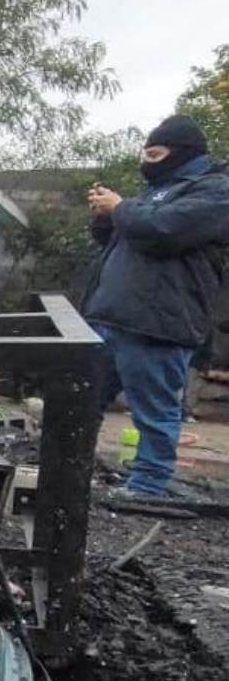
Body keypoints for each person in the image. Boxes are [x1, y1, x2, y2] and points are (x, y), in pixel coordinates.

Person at [82, 115, 229, 499]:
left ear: (182, 154)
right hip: (111, 316)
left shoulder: (215, 192)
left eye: (155, 153)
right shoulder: (155, 192)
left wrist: (120, 208)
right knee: (82, 400)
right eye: (145, 153)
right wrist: (105, 218)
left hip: (158, 323)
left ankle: (148, 485)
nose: (147, 162)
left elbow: (164, 230)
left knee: (154, 410)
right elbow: (124, 238)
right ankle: (73, 473)